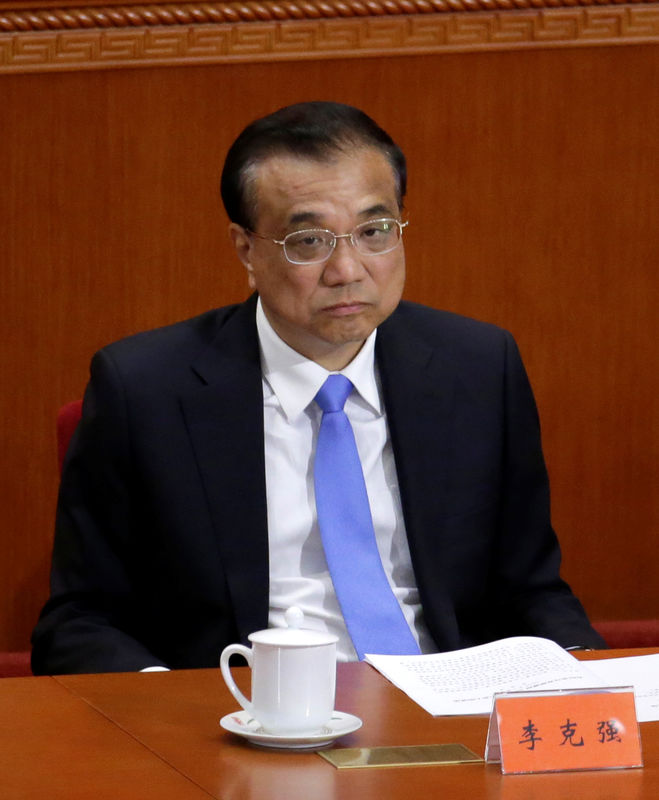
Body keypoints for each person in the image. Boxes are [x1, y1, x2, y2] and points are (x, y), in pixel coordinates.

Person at [31, 101, 605, 675]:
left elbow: (532, 590)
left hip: (446, 714)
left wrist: (584, 676)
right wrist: (176, 709)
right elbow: (80, 622)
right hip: (242, 718)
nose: (348, 270)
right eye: (310, 242)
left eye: (374, 231)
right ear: (246, 250)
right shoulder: (145, 390)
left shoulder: (479, 368)